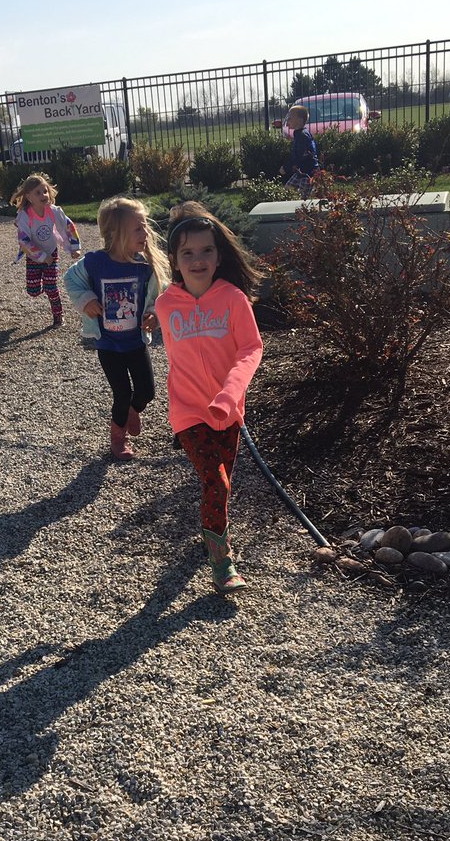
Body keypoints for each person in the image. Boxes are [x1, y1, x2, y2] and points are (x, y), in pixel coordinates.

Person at [155, 207, 263, 593]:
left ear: (219, 256)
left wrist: (230, 393)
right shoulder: (167, 306)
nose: (198, 260)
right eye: (188, 253)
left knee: (221, 482)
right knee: (216, 483)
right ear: (174, 259)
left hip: (229, 410)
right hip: (188, 413)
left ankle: (211, 530)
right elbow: (179, 360)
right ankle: (222, 562)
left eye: (206, 251)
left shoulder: (233, 300)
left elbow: (251, 349)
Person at [63, 197, 168, 460]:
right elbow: (70, 279)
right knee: (121, 392)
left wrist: (153, 314)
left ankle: (133, 409)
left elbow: (158, 296)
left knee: (146, 391)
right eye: (138, 228)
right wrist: (86, 299)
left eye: (145, 227)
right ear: (115, 233)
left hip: (135, 341)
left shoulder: (144, 266)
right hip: (108, 343)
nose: (145, 233)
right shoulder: (97, 262)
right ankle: (117, 439)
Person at [12, 173, 81, 327]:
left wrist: (74, 248)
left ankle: (58, 316)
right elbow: (23, 241)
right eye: (38, 192)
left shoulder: (54, 211)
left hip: (51, 253)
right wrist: (41, 256)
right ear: (29, 197)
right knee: (33, 291)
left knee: (51, 288)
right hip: (33, 257)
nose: (43, 195)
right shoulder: (25, 216)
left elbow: (69, 226)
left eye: (45, 191)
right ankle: (43, 285)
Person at [279, 104, 320, 197]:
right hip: (300, 172)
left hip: (308, 172)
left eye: (290, 118)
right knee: (287, 191)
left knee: (303, 197)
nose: (287, 121)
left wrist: (286, 168)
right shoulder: (298, 134)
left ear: (300, 121)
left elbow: (299, 156)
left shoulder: (303, 136)